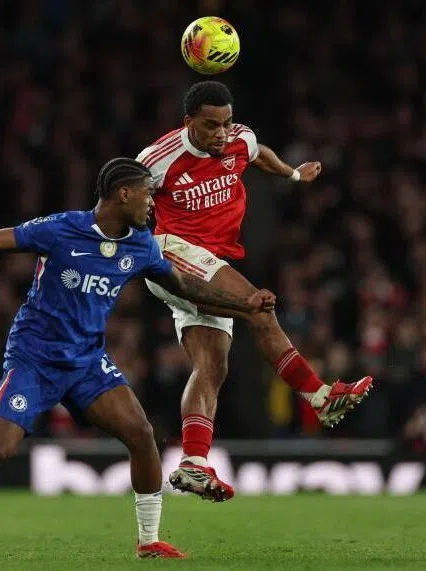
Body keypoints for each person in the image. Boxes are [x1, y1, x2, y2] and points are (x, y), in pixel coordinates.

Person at [0, 157, 276, 561]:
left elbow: (186, 286)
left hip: (87, 361)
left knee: (143, 435)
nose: (152, 203)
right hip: (34, 357)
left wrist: (244, 303)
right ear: (123, 194)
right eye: (147, 193)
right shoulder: (61, 229)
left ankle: (148, 541)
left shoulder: (141, 244)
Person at [136, 81, 373, 502]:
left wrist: (293, 173)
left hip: (211, 264)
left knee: (212, 367)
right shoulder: (157, 159)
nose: (221, 134)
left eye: (226, 123)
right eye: (210, 126)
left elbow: (257, 152)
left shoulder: (238, 140)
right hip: (171, 252)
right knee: (258, 309)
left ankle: (193, 463)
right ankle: (318, 395)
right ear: (188, 121)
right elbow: (118, 197)